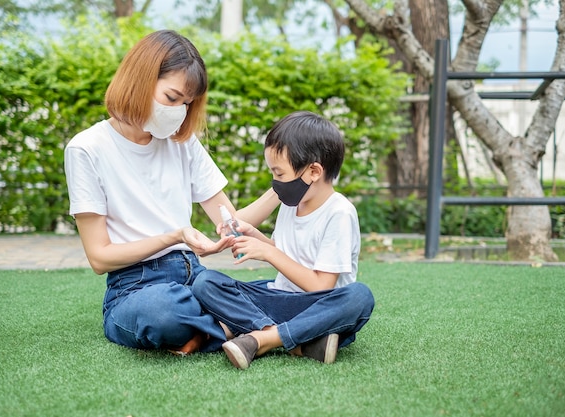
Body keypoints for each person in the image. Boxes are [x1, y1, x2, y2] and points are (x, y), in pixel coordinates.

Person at [64, 30, 278, 354]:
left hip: (197, 278)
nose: (179, 111)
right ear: (140, 79)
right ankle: (248, 326)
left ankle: (214, 331)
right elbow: (99, 257)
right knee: (163, 312)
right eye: (172, 98)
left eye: (187, 103)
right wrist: (175, 236)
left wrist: (283, 187)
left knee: (272, 289)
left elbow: (230, 220)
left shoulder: (183, 143)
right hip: (134, 288)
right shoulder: (86, 149)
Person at [192, 111, 375, 369]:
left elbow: (321, 285)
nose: (275, 183)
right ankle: (296, 341)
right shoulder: (293, 203)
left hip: (318, 306)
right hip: (280, 297)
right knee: (206, 282)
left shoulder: (339, 213)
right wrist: (255, 238)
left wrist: (268, 254)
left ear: (313, 171)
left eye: (279, 174)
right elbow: (286, 252)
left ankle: (260, 337)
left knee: (359, 297)